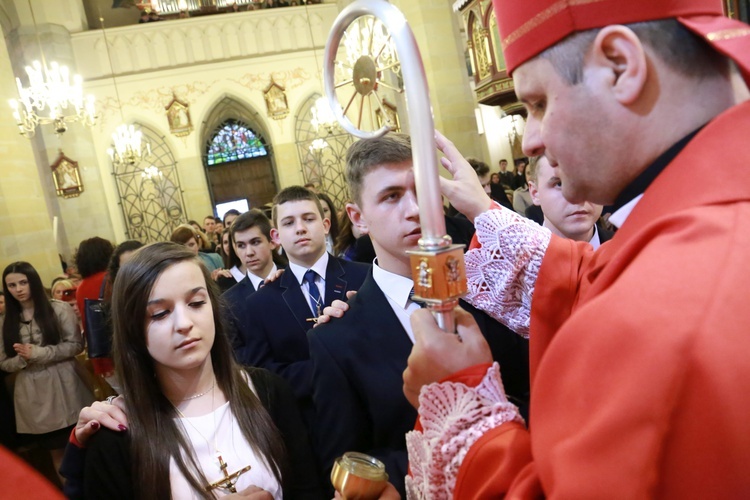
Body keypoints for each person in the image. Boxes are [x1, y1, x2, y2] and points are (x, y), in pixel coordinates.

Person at [402, 0, 750, 497]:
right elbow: (602, 275)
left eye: (539, 102)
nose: (530, 139)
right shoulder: (711, 219)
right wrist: (487, 212)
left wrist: (465, 412)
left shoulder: (661, 319)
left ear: (620, 66)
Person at [309, 134, 529, 497]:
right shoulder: (335, 339)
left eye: (423, 190)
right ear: (358, 217)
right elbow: (348, 462)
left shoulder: (485, 290)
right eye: (391, 196)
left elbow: (533, 392)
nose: (415, 209)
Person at [70, 242, 322, 499]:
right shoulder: (118, 434)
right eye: (159, 313)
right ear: (132, 328)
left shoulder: (268, 391)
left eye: (196, 302)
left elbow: (308, 490)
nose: (184, 323)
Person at [234, 187, 369, 428]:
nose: (300, 228)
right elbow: (263, 375)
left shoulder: (365, 277)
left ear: (326, 225)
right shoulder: (260, 303)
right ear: (275, 236)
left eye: (308, 219)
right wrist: (329, 372)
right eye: (288, 223)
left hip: (371, 415)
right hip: (308, 425)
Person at [0, 262, 94, 480]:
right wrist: (23, 360)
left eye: (23, 282)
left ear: (33, 281)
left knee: (87, 445)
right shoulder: (5, 321)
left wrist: (39, 353)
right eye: (11, 285)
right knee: (57, 452)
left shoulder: (57, 309)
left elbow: (75, 345)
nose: (18, 289)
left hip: (66, 385)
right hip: (34, 394)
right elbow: (4, 362)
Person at [222, 210, 283, 351]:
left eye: (255, 242)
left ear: (272, 242)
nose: (249, 252)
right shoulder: (228, 302)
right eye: (241, 245)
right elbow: (237, 355)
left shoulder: (297, 280)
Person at [528, 155, 613, 249]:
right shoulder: (517, 261)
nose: (578, 197)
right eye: (560, 184)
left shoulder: (629, 252)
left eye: (590, 181)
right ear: (535, 193)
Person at [75, 237, 115, 377]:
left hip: (101, 354)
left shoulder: (81, 287)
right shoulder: (111, 279)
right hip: (119, 353)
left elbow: (89, 324)